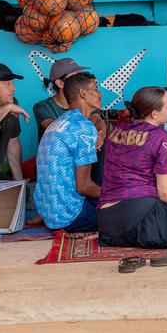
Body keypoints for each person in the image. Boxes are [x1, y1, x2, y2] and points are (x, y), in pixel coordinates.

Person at [97, 86, 167, 249]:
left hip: (108, 224)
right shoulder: (159, 137)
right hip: (140, 215)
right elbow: (165, 192)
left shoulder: (114, 132)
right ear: (154, 113)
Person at [32, 73, 103, 233]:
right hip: (70, 217)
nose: (100, 94)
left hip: (50, 213)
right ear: (83, 93)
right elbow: (83, 186)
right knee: (131, 209)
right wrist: (119, 196)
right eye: (96, 89)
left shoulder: (56, 124)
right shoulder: (83, 127)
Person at [24, 58, 105, 183]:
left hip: (79, 158)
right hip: (56, 163)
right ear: (60, 83)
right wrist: (90, 135)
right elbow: (54, 128)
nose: (81, 79)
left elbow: (97, 120)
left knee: (102, 145)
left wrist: (100, 135)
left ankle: (97, 194)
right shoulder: (42, 107)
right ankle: (94, 194)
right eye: (75, 76)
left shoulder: (86, 104)